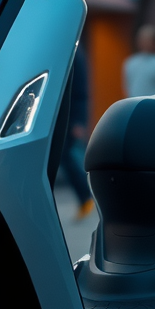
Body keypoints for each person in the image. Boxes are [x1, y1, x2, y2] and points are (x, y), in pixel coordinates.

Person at [60, 45, 95, 219]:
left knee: (68, 158)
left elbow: (81, 91)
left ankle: (86, 196)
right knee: (67, 158)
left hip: (69, 118)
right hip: (60, 116)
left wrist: (79, 121)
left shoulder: (75, 52)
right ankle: (85, 198)